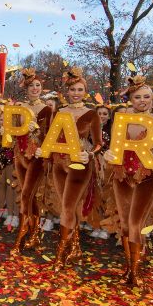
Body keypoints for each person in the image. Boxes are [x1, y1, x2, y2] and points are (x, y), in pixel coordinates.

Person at [103, 76, 153, 287]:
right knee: (125, 224)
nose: (142, 100)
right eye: (138, 97)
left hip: (146, 177)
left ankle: (135, 270)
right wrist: (109, 156)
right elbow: (114, 145)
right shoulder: (121, 117)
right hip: (122, 175)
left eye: (146, 97)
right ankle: (128, 266)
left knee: (136, 223)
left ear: (152, 98)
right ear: (130, 98)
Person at [47, 67, 103, 268]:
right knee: (66, 207)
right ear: (67, 92)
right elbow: (51, 138)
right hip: (59, 164)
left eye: (80, 90)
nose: (76, 94)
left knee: (68, 208)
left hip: (80, 165)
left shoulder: (92, 114)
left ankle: (60, 254)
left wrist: (89, 154)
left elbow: (98, 143)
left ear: (85, 92)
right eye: (72, 90)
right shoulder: (59, 112)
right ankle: (76, 247)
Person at [10, 69, 53, 256]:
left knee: (27, 195)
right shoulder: (19, 107)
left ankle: (20, 236)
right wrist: (21, 128)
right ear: (25, 88)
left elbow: (52, 136)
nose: (35, 88)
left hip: (37, 156)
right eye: (31, 85)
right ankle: (34, 234)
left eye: (38, 85)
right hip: (20, 155)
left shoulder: (47, 109)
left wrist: (39, 137)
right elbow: (10, 131)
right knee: (30, 196)